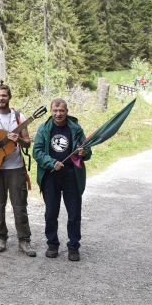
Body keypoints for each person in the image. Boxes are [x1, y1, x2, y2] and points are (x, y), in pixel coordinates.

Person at [32, 98, 92, 262]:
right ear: (51, 111)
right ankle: (52, 244)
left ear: (67, 111)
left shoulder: (76, 129)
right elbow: (36, 151)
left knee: (74, 213)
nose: (58, 114)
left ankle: (73, 246)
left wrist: (83, 153)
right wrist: (51, 162)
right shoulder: (44, 129)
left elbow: (87, 151)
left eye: (62, 111)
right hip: (50, 176)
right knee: (51, 212)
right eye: (55, 111)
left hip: (71, 176)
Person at [0, 84, 35, 256]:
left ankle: (24, 240)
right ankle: (0, 237)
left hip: (16, 167)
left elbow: (27, 142)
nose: (1, 98)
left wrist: (18, 139)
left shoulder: (18, 117)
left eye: (4, 95)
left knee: (19, 205)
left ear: (9, 97)